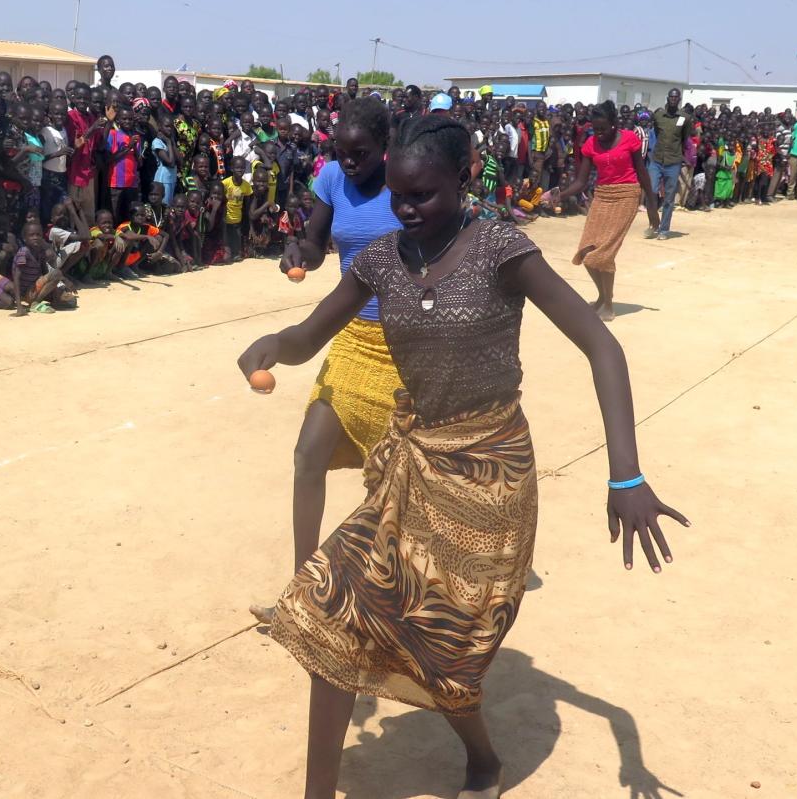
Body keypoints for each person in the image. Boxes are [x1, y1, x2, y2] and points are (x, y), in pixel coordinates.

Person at [237, 112, 688, 799]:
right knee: (331, 613)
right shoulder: (381, 259)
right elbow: (308, 335)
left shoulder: (502, 250)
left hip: (490, 477)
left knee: (445, 649)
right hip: (413, 462)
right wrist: (274, 344)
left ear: (464, 177)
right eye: (397, 196)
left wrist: (626, 474)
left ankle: (482, 759)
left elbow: (602, 345)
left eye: (423, 195)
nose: (407, 209)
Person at [248, 96, 404, 625]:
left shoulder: (405, 181)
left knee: (394, 480)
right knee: (308, 457)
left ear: (386, 146)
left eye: (361, 153)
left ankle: (387, 602)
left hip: (405, 344)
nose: (350, 162)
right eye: (342, 151)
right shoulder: (332, 178)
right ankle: (303, 595)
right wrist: (299, 251)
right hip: (351, 334)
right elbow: (318, 245)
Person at [542, 101, 660, 322]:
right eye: (595, 129)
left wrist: (652, 206)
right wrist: (559, 195)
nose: (599, 133)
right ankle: (603, 296)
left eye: (603, 129)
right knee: (586, 252)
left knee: (603, 254)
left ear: (614, 123)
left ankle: (608, 304)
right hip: (602, 196)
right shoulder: (590, 144)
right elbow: (581, 182)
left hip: (626, 195)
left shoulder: (629, 139)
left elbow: (642, 172)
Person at [646, 89, 692, 240]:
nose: (673, 99)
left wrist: (677, 152)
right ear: (667, 98)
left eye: (676, 97)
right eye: (671, 97)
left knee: (669, 198)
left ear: (679, 99)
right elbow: (657, 133)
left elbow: (684, 138)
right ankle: (654, 223)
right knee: (651, 191)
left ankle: (664, 230)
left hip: (673, 162)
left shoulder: (685, 118)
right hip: (657, 159)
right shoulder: (658, 115)